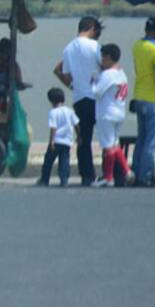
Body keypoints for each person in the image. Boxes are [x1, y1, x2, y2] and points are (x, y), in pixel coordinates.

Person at [54, 17, 103, 185]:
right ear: (92, 28)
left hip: (79, 98)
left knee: (83, 139)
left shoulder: (68, 48)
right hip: (97, 97)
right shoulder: (95, 46)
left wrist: (72, 86)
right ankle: (110, 173)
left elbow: (66, 75)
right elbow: (105, 66)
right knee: (107, 137)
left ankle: (87, 175)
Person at [130, 17, 155, 186]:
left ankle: (136, 173)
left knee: (142, 138)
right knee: (153, 140)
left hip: (139, 95)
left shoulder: (137, 45)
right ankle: (146, 176)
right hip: (153, 98)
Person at [92, 43, 131, 188]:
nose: (101, 60)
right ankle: (126, 171)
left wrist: (94, 81)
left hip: (106, 113)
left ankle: (109, 177)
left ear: (109, 57)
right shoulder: (122, 73)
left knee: (108, 146)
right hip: (119, 111)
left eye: (103, 57)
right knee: (115, 144)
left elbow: (97, 92)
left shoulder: (108, 74)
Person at [36, 88, 77, 187]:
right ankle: (64, 180)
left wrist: (52, 140)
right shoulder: (70, 111)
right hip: (67, 141)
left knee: (48, 161)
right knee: (64, 160)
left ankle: (45, 179)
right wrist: (79, 136)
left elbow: (53, 127)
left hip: (57, 140)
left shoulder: (53, 112)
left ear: (51, 101)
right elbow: (76, 124)